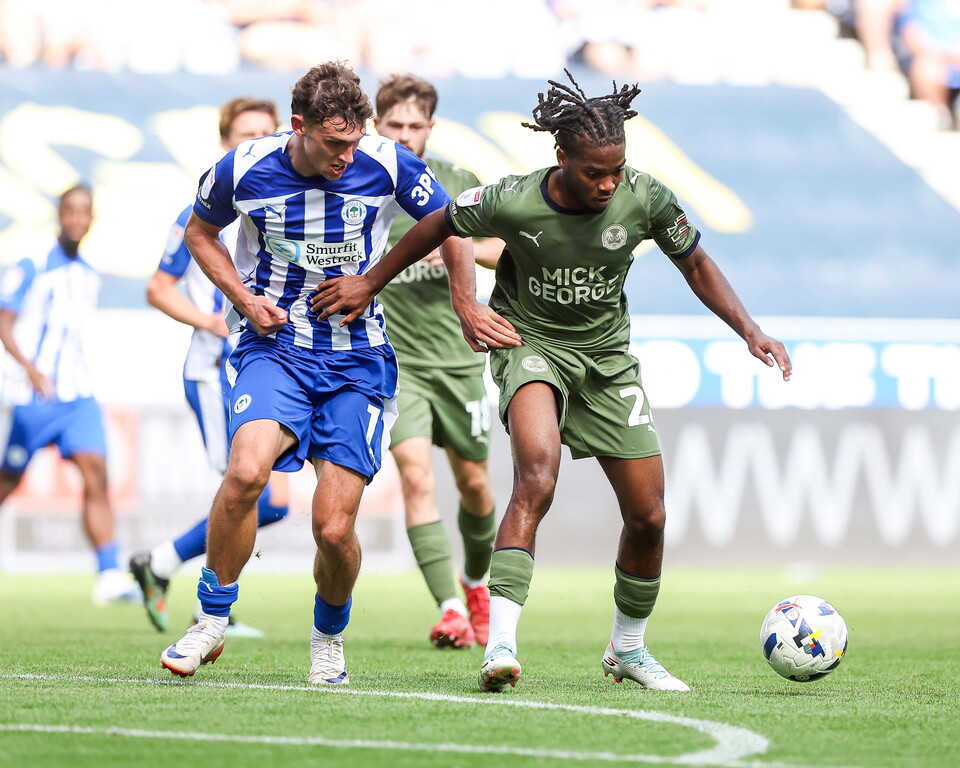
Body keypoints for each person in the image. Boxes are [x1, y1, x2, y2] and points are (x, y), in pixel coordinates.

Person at [310, 71, 792, 693]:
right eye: (595, 172)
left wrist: (749, 329)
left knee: (648, 515)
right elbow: (439, 223)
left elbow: (695, 262)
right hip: (529, 344)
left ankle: (629, 649)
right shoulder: (513, 199)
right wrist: (375, 282)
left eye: (616, 170)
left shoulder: (645, 198)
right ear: (561, 157)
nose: (608, 183)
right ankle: (500, 646)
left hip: (607, 359)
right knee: (536, 477)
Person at [158, 61, 515, 684]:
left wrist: (403, 288)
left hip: (356, 359)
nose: (348, 157)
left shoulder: (388, 162)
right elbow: (199, 232)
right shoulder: (243, 167)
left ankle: (328, 637)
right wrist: (243, 300)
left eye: (355, 141)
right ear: (299, 126)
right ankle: (212, 617)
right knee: (246, 472)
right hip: (275, 346)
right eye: (334, 144)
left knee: (332, 525)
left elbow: (449, 222)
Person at [129, 97, 290, 638]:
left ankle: (162, 563)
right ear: (225, 145)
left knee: (273, 501)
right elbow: (157, 287)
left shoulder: (289, 206)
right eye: (246, 135)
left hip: (271, 366)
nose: (257, 142)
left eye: (268, 133)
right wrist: (212, 319)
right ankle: (208, 609)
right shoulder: (201, 216)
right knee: (249, 490)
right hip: (215, 369)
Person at [373, 74, 505, 650]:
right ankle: (450, 609)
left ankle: (475, 583)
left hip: (459, 360)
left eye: (414, 126)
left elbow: (502, 248)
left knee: (475, 486)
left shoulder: (455, 184)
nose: (404, 135)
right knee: (416, 478)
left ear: (431, 128)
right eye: (394, 125)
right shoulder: (362, 187)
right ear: (377, 125)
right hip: (399, 362)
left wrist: (449, 242)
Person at [0, 185, 141, 606]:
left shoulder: (88, 274)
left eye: (85, 212)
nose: (77, 219)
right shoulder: (33, 266)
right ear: (59, 216)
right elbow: (5, 322)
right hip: (35, 397)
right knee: (9, 480)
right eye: (70, 211)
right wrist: (29, 369)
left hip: (78, 396)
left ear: (91, 219)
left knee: (96, 472)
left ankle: (109, 574)